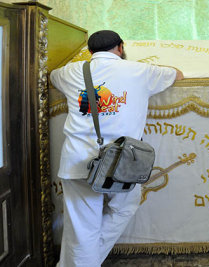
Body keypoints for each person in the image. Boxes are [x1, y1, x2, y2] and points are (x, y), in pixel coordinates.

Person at [50, 30, 184, 267]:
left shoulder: (71, 72)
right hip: (121, 164)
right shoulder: (141, 71)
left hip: (78, 162)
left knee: (83, 230)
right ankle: (85, 258)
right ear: (120, 47)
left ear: (90, 52)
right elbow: (178, 75)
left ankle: (81, 259)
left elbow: (52, 77)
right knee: (125, 206)